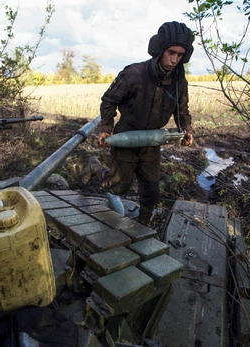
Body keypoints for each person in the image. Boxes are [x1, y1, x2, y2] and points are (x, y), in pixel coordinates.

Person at [82, 21, 195, 226]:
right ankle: (94, 166)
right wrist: (106, 128)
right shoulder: (135, 74)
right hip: (127, 135)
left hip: (152, 140)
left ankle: (143, 227)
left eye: (180, 55)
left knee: (151, 190)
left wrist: (186, 128)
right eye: (171, 52)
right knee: (118, 187)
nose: (174, 59)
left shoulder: (179, 81)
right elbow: (109, 100)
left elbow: (182, 109)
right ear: (159, 49)